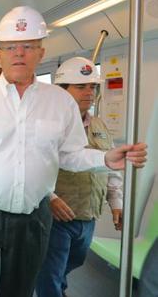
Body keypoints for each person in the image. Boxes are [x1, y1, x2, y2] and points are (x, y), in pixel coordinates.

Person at [0, 6, 147, 297]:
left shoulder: (60, 103)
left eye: (28, 46)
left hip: (33, 214)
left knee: (19, 290)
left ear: (41, 53)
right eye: (10, 47)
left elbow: (70, 154)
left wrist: (104, 159)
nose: (19, 53)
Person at [35, 57, 124, 297]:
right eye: (80, 86)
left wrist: (116, 203)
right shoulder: (48, 126)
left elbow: (110, 166)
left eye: (92, 87)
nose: (89, 92)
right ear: (62, 91)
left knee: (72, 263)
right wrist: (49, 197)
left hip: (88, 215)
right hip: (56, 216)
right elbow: (31, 167)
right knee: (50, 273)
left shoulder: (100, 125)